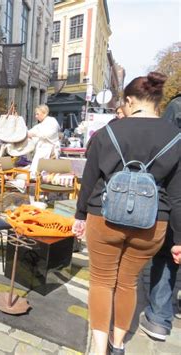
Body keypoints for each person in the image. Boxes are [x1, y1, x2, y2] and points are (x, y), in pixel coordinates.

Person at [72, 72, 181, 355]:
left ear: (130, 101)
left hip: (104, 216)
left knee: (101, 280)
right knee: (128, 282)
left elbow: (89, 180)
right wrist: (179, 239)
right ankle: (117, 344)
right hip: (153, 223)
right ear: (157, 101)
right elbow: (178, 196)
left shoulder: (108, 132)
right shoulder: (176, 138)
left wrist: (80, 215)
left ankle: (98, 350)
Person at [140, 93, 181, 341]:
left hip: (176, 192)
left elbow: (164, 152)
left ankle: (159, 317)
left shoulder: (176, 107)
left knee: (167, 254)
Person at [26, 104, 60, 178]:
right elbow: (31, 131)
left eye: (37, 114)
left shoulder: (52, 121)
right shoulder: (41, 125)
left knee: (45, 175)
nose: (36, 116)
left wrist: (33, 134)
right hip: (42, 151)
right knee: (36, 173)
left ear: (44, 113)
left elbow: (46, 134)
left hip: (49, 152)